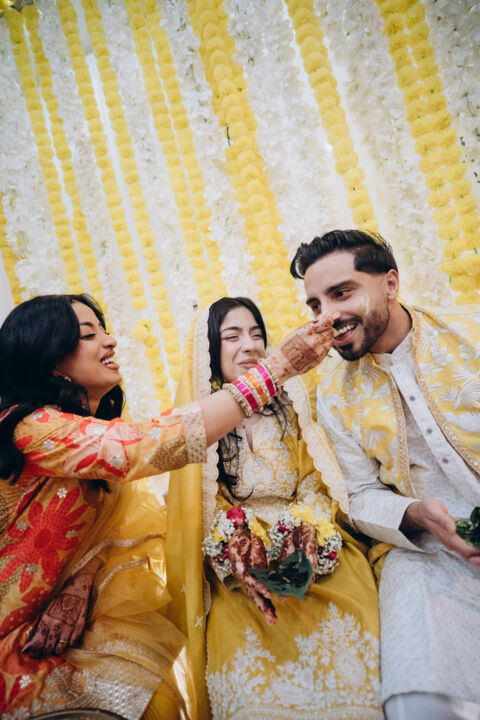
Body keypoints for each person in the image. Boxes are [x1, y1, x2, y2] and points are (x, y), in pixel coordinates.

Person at [0, 293, 331, 719]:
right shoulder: (30, 429)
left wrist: (82, 579)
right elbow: (146, 446)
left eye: (104, 330)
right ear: (51, 362)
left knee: (149, 699)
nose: (110, 341)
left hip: (61, 619)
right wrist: (275, 370)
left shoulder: (90, 430)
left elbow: (121, 523)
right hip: (14, 634)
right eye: (88, 334)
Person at [290, 228, 480, 720]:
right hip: (431, 550)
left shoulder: (470, 332)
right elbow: (359, 493)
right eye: (315, 305)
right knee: (417, 696)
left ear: (390, 284)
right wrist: (416, 514)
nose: (327, 317)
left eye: (341, 293)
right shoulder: (333, 392)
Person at [166, 296, 382, 720]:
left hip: (310, 542)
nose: (250, 345)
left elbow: (315, 476)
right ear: (210, 350)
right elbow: (202, 500)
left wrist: (308, 528)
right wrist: (233, 539)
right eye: (232, 336)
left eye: (257, 334)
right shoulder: (202, 422)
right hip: (238, 562)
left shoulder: (293, 404)